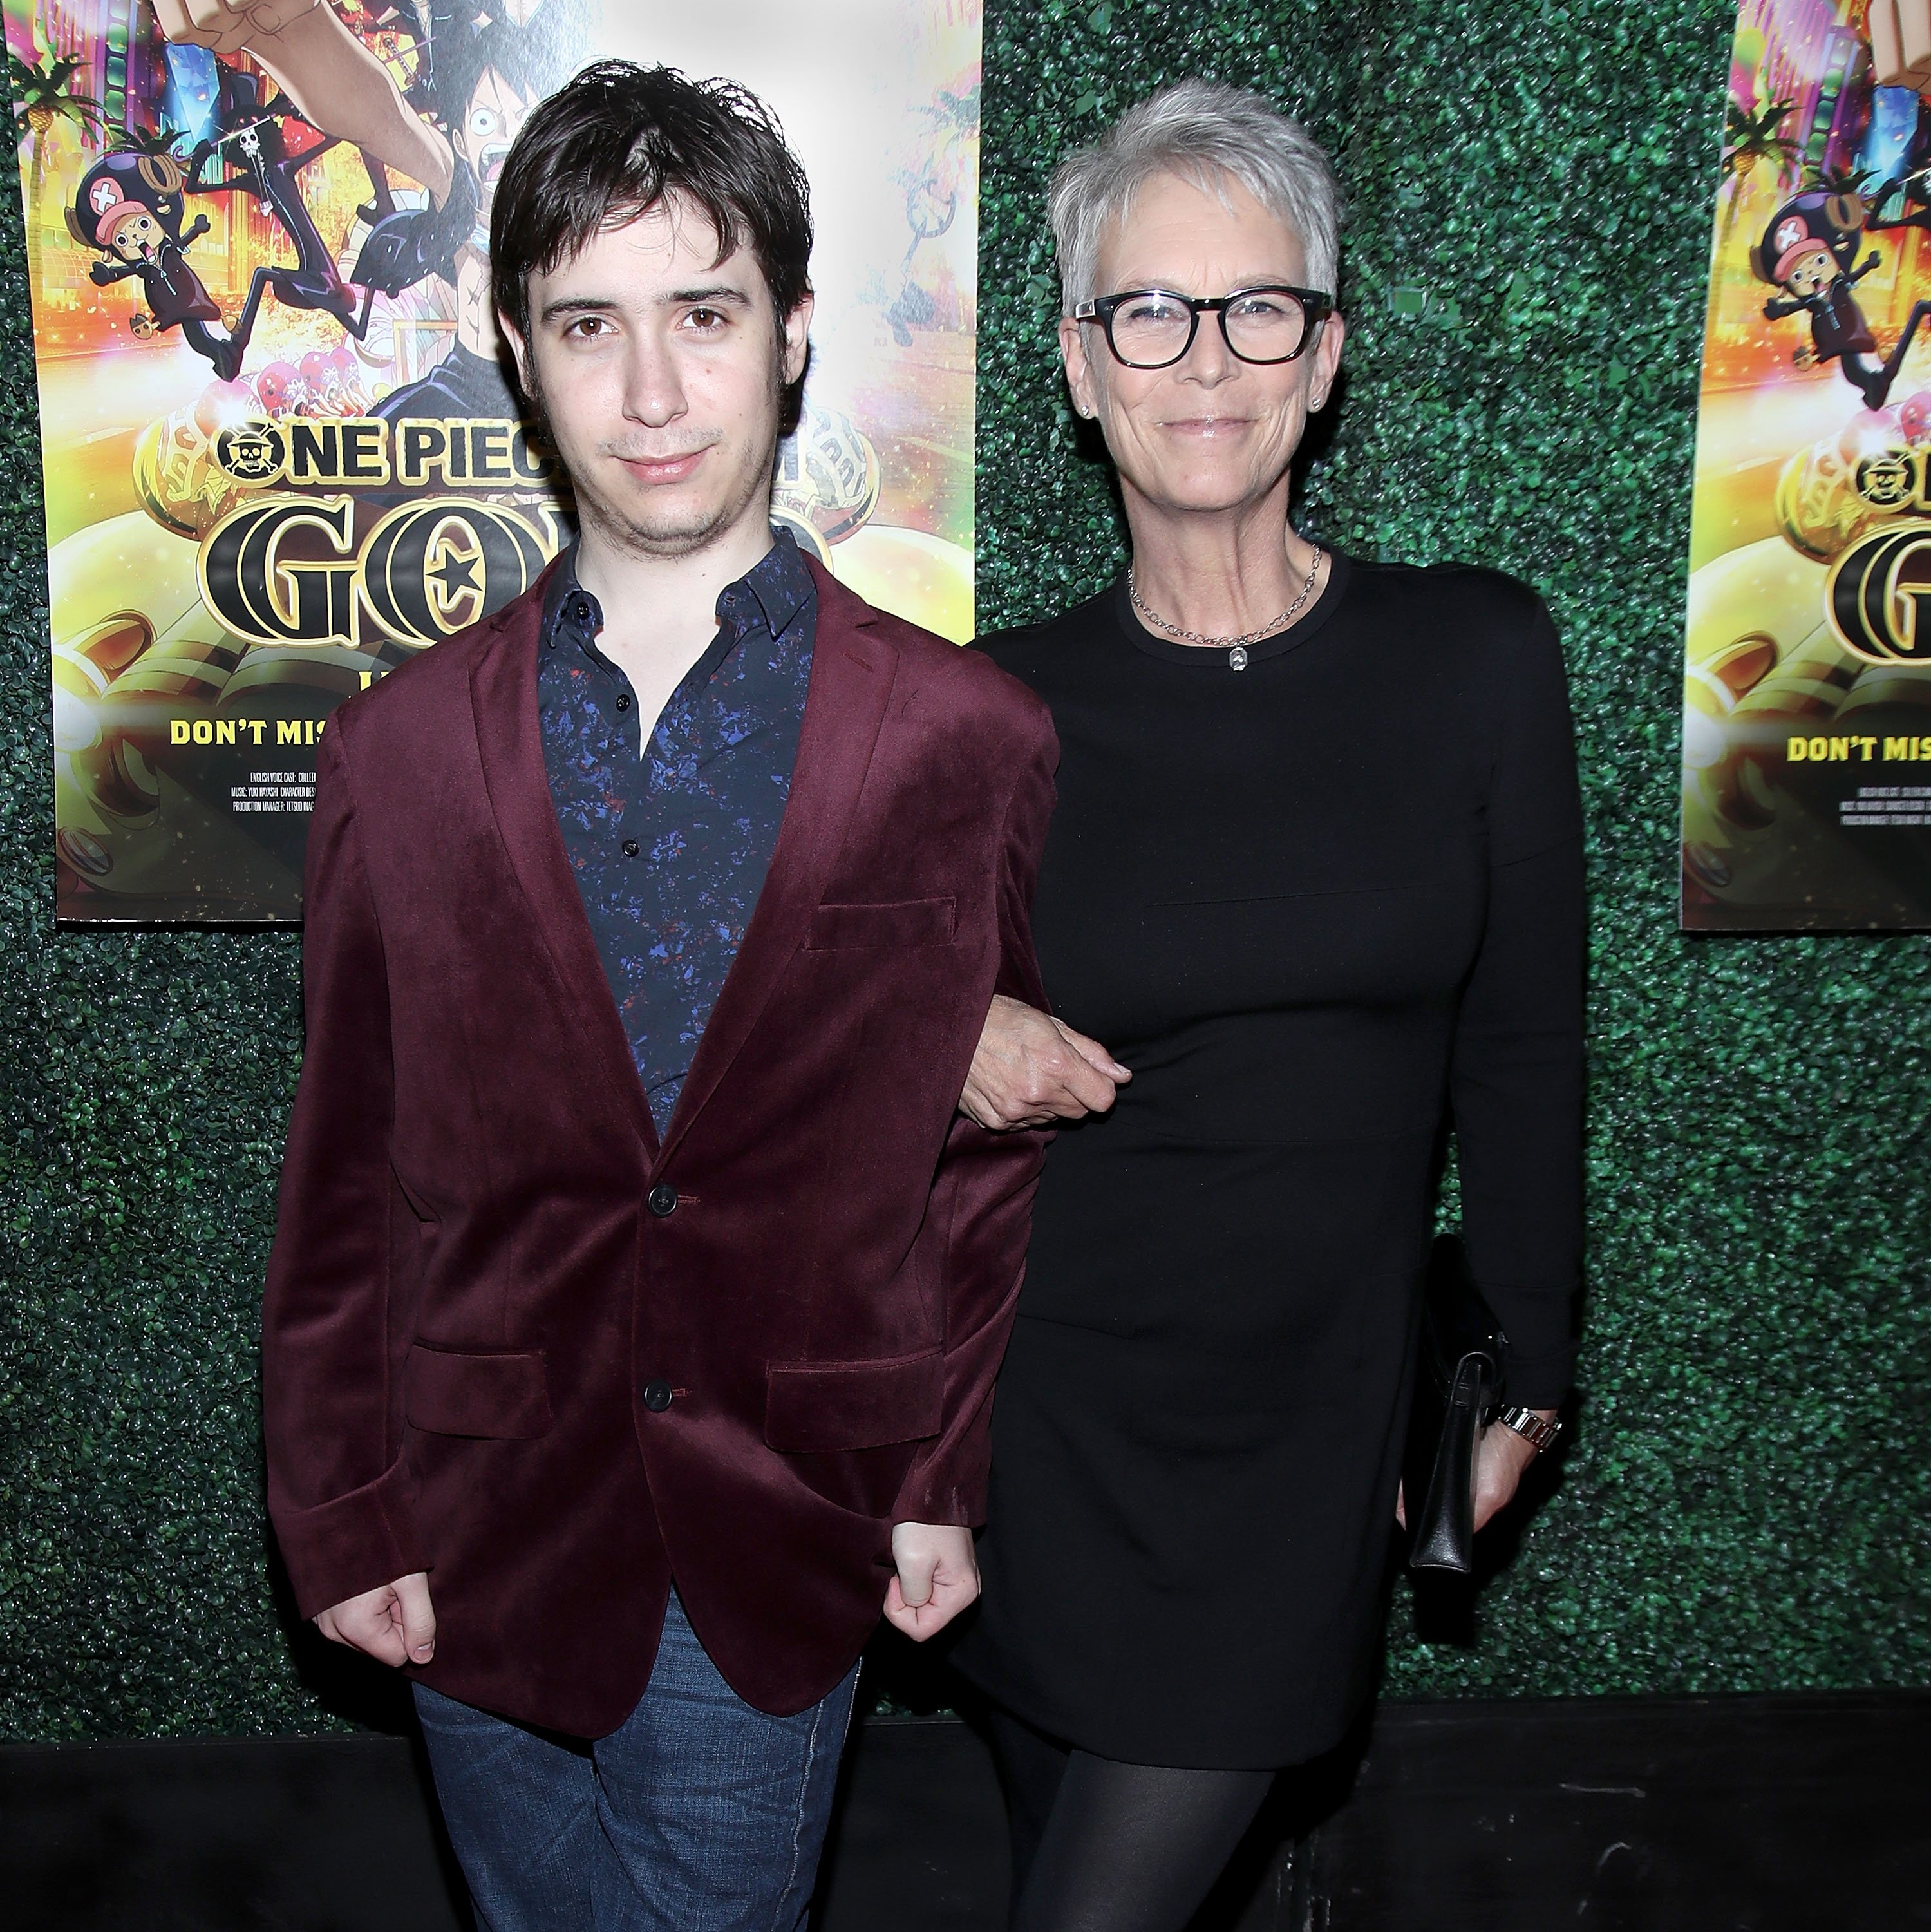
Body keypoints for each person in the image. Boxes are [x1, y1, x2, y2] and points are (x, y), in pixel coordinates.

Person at [259, 62, 1057, 1932]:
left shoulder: (965, 739)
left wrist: (938, 1476)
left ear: (790, 334)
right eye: (587, 325)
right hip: (468, 1514)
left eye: (701, 316)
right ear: (519, 358)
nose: (649, 391)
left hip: (783, 1507)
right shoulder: (398, 752)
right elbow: (344, 1176)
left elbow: (978, 1159)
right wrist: (343, 1506)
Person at [950, 79, 1585, 1932]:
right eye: (1147, 310)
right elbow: (803, 1038)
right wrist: (938, 1030)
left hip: (1309, 1432)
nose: (1203, 358)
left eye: (1258, 310)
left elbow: (1527, 1046)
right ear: (1081, 365)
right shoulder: (992, 715)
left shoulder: (1479, 657)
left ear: (1323, 357)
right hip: (1039, 1424)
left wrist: (1528, 1375)